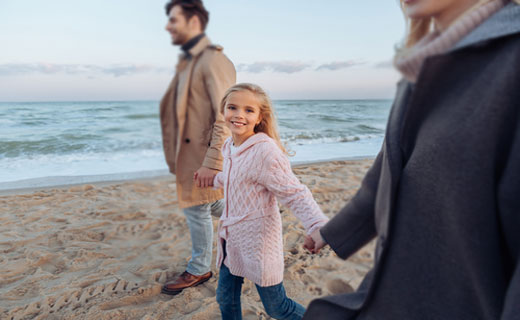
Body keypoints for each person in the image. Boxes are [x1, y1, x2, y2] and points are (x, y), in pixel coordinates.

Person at [303, 0, 520, 319]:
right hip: (390, 293)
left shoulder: (511, 63)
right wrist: (332, 231)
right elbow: (392, 168)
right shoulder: (422, 67)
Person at [213, 83, 329, 320]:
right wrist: (215, 178)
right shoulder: (229, 146)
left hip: (258, 243)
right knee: (225, 297)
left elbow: (294, 193)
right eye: (232, 107)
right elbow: (240, 177)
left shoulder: (266, 152)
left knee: (278, 308)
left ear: (259, 117)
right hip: (231, 238)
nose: (239, 115)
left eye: (248, 110)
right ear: (223, 109)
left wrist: (317, 226)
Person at [159, 0, 236, 296]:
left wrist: (213, 162)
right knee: (206, 202)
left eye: (174, 19)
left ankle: (200, 267)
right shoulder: (190, 61)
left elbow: (225, 115)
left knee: (196, 207)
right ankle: (250, 212)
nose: (168, 26)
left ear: (193, 22)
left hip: (203, 154)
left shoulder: (212, 61)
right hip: (189, 154)